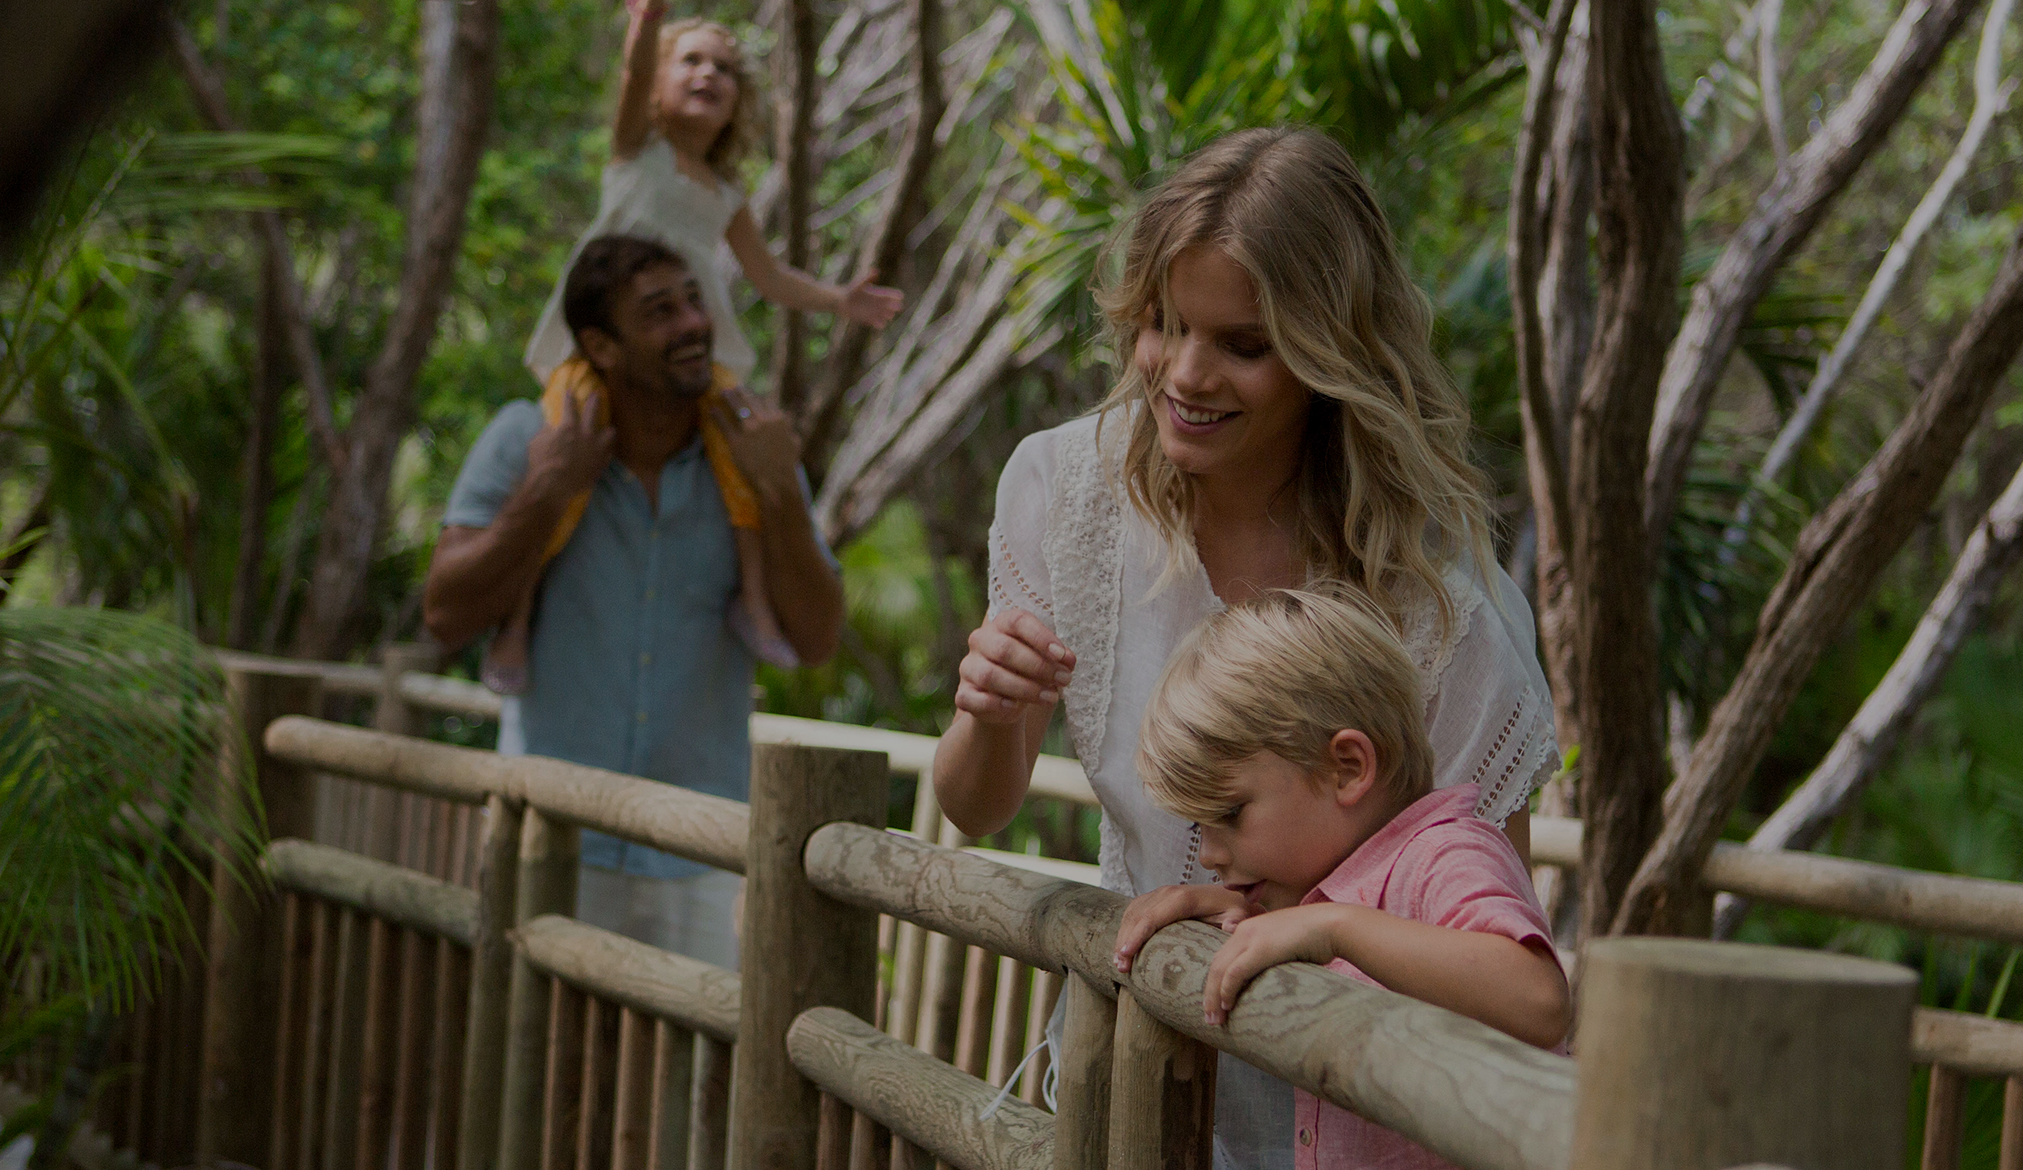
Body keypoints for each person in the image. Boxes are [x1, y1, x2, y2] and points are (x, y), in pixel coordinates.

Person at [926, 127, 1561, 1168]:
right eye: (1164, 324)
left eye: (1242, 344)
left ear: (1329, 352)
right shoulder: (1062, 491)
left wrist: (1283, 916)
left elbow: (1487, 958)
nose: (1183, 372)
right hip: (1117, 1078)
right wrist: (985, 713)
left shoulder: (1443, 611)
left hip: (1342, 1115)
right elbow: (975, 804)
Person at [425, 234, 843, 970]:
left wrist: (779, 490)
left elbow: (817, 639)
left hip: (701, 852)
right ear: (601, 346)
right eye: (659, 311)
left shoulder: (755, 457)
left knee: (688, 1084)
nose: (692, 324)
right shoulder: (527, 437)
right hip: (550, 841)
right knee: (540, 1073)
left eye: (692, 300)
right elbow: (445, 612)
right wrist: (546, 490)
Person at [488, 0, 901, 690]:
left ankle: (756, 602)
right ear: (656, 84)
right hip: (605, 346)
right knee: (565, 454)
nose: (710, 73)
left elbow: (767, 276)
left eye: (725, 68)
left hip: (687, 350)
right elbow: (628, 76)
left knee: (740, 454)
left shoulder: (726, 191)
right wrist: (646, 24)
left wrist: (840, 299)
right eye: (692, 61)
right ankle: (517, 620)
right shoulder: (636, 151)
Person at [1109, 589, 1569, 1169]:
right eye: (1200, 826)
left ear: (1347, 768)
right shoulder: (1335, 889)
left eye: (1230, 814)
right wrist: (1250, 916)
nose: (1210, 855)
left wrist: (1333, 926)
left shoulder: (1445, 852)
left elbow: (1538, 999)